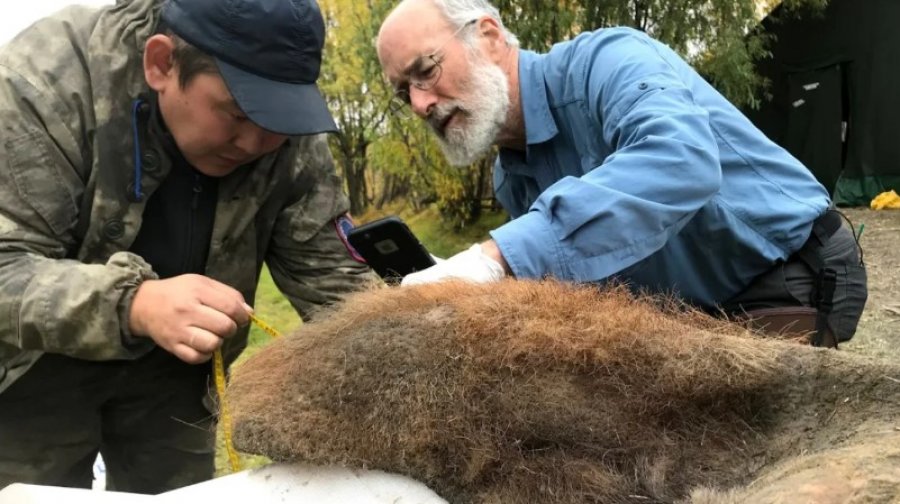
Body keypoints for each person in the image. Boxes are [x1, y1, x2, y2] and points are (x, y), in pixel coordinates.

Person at [0, 0, 377, 494]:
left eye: (277, 121)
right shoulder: (46, 82)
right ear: (161, 63)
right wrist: (133, 303)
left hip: (176, 378)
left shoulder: (285, 133)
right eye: (237, 114)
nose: (256, 143)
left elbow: (339, 287)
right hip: (30, 370)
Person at [376, 0, 867, 345]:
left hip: (787, 271)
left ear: (488, 35)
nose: (420, 104)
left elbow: (680, 160)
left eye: (427, 69)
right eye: (404, 93)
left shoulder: (608, 61)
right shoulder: (511, 177)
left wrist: (498, 255)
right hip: (693, 309)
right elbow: (575, 272)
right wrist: (475, 282)